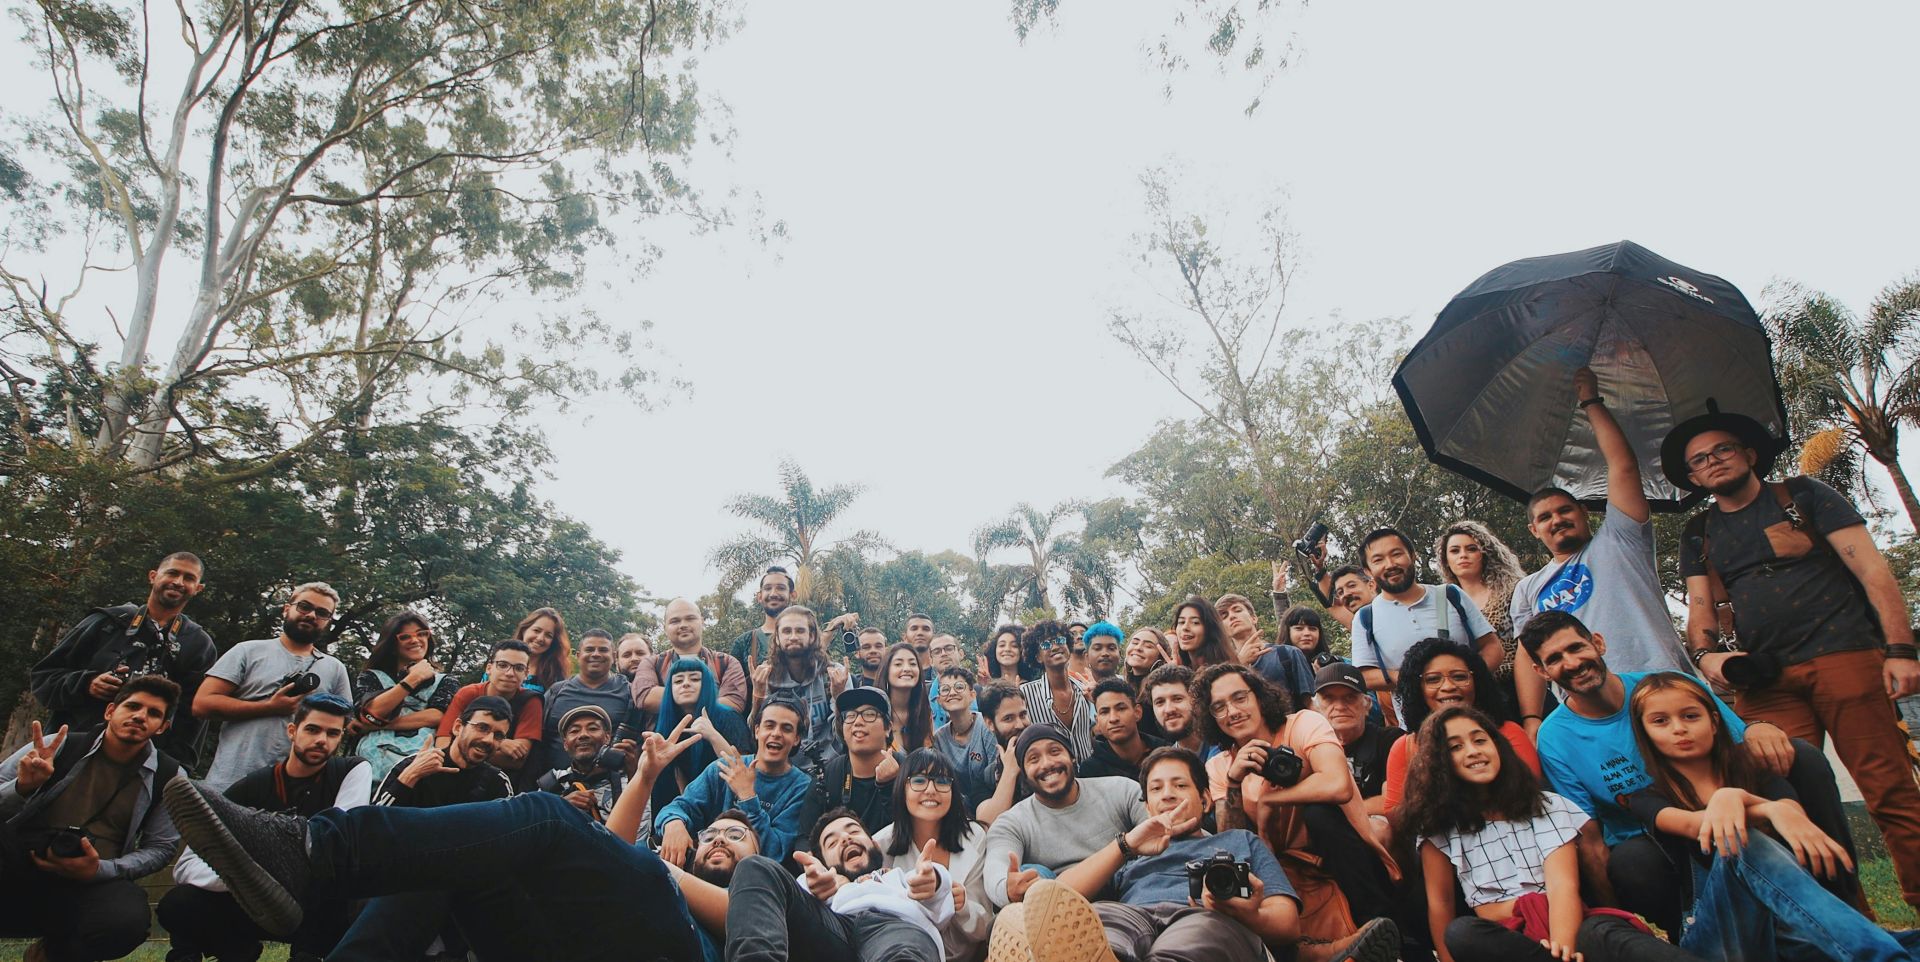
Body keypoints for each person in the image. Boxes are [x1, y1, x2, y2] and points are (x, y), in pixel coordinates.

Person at [158, 719, 715, 962]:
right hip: (569, 939)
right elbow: (617, 856)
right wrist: (646, 779)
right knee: (462, 857)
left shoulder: (768, 887)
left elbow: (723, 905)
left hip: (672, 946)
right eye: (716, 829)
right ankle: (316, 866)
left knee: (546, 818)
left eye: (736, 835)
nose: (720, 838)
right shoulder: (647, 870)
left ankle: (314, 850)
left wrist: (670, 860)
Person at [1665, 408, 1920, 913]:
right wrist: (1706, 656)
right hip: (1765, 681)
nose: (1713, 462)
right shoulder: (1699, 532)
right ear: (1693, 477)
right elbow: (1700, 609)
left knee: (1889, 792)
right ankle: (1846, 922)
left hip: (1844, 654)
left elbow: (1873, 571)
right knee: (1786, 798)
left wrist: (1900, 650)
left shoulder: (1802, 496)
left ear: (1749, 454)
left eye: (1722, 450)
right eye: (1700, 460)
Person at [1522, 610, 1856, 933]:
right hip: (1657, 839)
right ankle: (1688, 934)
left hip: (1723, 805)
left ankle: (1842, 894)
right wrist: (1625, 924)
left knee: (1801, 756)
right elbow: (1591, 841)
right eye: (1555, 658)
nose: (1572, 662)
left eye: (1576, 647)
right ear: (1541, 671)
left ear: (1598, 643)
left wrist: (1759, 728)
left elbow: (1738, 749)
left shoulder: (1665, 687)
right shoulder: (1555, 740)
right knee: (1631, 862)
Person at [992, 746, 1401, 962]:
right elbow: (1059, 896)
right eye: (1156, 789)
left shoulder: (1241, 842)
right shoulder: (1131, 852)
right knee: (1103, 929)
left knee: (1190, 942)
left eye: (1179, 786)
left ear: (1205, 798)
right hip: (1134, 916)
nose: (1167, 794)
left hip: (1210, 919)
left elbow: (1288, 926)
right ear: (1146, 803)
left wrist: (1243, 912)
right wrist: (1126, 845)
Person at [1624, 672, 1920, 961]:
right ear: (1645, 733)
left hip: (1789, 927)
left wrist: (1765, 804)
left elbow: (1794, 817)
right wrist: (1747, 801)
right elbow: (1698, 824)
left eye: (1690, 716)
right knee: (1739, 841)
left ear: (1714, 722)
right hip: (1718, 935)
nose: (1679, 728)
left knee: (1908, 942)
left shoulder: (1754, 770)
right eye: (1660, 721)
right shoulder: (1647, 798)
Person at [1400, 706, 1696, 962]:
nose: (1474, 751)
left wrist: (1562, 949)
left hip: (1568, 921)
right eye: (1455, 747)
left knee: (1602, 932)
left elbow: (1562, 886)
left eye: (1480, 740)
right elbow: (1441, 903)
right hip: (1508, 940)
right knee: (1462, 932)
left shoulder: (1547, 806)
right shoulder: (1438, 830)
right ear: (1438, 762)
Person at [1194, 663, 1398, 943]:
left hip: (1346, 849)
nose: (1233, 712)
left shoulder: (1303, 723)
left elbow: (1337, 785)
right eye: (1219, 707)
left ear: (1259, 697)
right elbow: (1232, 839)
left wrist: (1271, 799)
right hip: (1284, 867)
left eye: (1240, 698)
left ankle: (1379, 923)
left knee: (1318, 813)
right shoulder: (1219, 766)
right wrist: (1234, 782)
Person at [1511, 367, 1692, 678]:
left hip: (1660, 681)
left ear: (1584, 512)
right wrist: (1532, 719)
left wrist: (1590, 401)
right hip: (1586, 702)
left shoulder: (1621, 538)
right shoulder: (1528, 589)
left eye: (1565, 510)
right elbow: (1530, 658)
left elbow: (1622, 466)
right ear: (1534, 530)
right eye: (1545, 517)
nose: (1557, 520)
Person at [160, 693, 369, 962]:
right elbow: (188, 864)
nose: (322, 740)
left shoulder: (351, 770)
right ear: (292, 731)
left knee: (339, 890)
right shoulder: (252, 786)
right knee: (179, 903)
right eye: (313, 729)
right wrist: (245, 881)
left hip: (314, 904)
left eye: (332, 733)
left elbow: (338, 839)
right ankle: (233, 950)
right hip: (256, 904)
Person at [0, 676, 183, 962]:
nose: (140, 716)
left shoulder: (169, 776)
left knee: (126, 921)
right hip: (20, 862)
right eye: (133, 706)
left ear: (162, 727)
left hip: (92, 880)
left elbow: (161, 848)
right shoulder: (57, 746)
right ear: (110, 711)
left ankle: (54, 954)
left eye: (153, 713)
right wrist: (22, 788)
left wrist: (100, 869)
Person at [31, 551, 218, 768]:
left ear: (198, 589)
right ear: (153, 576)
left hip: (140, 766)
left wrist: (172, 769)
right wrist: (87, 684)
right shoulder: (107, 622)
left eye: (189, 578)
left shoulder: (198, 644)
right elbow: (43, 677)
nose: (178, 582)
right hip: (71, 751)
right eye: (172, 573)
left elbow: (192, 717)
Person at [727, 808, 952, 962]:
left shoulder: (899, 877)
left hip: (895, 928)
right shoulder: (821, 889)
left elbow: (939, 898)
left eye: (853, 831)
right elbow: (792, 901)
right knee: (754, 867)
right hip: (833, 929)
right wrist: (811, 884)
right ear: (823, 862)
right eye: (832, 842)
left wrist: (933, 881)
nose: (845, 839)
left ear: (874, 844)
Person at [1351, 528, 1522, 731]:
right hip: (1419, 728)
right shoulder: (1366, 617)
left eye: (1396, 554)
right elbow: (1365, 675)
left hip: (1481, 717)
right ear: (1368, 571)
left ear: (1412, 556)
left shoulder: (1451, 595)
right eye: (1378, 560)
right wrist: (1416, 680)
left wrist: (1463, 680)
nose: (1390, 564)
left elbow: (1493, 647)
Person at [195, 583, 354, 791]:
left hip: (298, 791)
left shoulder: (334, 668)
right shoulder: (247, 651)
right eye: (304, 607)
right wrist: (269, 707)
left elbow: (344, 724)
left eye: (322, 613)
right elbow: (202, 704)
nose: (311, 615)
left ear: (328, 621)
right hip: (233, 780)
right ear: (287, 608)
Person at [980, 724, 1148, 909]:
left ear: (1072, 757)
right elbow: (996, 870)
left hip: (1130, 895)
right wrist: (1008, 888)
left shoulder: (1120, 789)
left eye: (1055, 751)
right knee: (1032, 876)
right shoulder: (1011, 822)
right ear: (1024, 773)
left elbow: (1156, 831)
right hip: (1061, 910)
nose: (1047, 764)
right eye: (1033, 759)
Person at [1382, 636, 1540, 813]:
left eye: (1459, 677)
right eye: (1433, 679)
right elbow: (1395, 814)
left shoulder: (1509, 732)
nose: (1448, 686)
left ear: (1477, 682)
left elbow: (1529, 795)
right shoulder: (1405, 747)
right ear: (1417, 688)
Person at [656, 695, 814, 866]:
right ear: (757, 730)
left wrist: (747, 796)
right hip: (708, 869)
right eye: (769, 725)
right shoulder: (723, 768)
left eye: (787, 728)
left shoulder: (802, 787)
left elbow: (774, 851)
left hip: (757, 878)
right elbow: (678, 807)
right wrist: (673, 823)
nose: (776, 734)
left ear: (797, 738)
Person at [872, 750, 992, 962]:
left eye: (942, 781)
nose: (931, 790)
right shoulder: (881, 844)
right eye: (919, 780)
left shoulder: (974, 837)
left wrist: (962, 905)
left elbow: (985, 927)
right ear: (902, 789)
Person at [1437, 518, 1545, 717]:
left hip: (1524, 685)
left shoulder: (1514, 589)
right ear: (1445, 560)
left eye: (1471, 549)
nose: (1463, 555)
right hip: (1477, 695)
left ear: (1485, 553)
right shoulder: (1445, 605)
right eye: (1455, 551)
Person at [349, 610, 455, 783]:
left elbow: (438, 715)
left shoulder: (446, 681)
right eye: (405, 637)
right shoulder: (371, 677)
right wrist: (412, 680)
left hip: (422, 758)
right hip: (374, 761)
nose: (415, 640)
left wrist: (377, 726)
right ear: (391, 644)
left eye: (422, 634)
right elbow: (371, 713)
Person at [435, 639, 545, 790]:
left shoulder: (531, 702)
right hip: (451, 772)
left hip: (496, 780)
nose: (509, 673)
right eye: (502, 665)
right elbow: (442, 742)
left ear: (526, 674)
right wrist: (501, 743)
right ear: (489, 668)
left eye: (518, 668)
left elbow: (516, 759)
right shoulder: (468, 693)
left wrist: (465, 748)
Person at [652, 656, 754, 816]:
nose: (685, 684)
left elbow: (745, 769)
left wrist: (713, 735)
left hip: (727, 807)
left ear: (706, 684)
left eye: (694, 679)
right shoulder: (666, 723)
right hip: (683, 810)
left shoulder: (728, 716)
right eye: (678, 681)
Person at [749, 605, 850, 767]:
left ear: (812, 636)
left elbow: (846, 737)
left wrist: (840, 698)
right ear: (777, 638)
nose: (793, 636)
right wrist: (758, 696)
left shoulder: (834, 674)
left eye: (800, 631)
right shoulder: (766, 675)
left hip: (830, 765)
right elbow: (756, 736)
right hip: (783, 768)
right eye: (787, 631)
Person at [376, 694, 516, 807]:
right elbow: (372, 824)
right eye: (482, 728)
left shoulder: (497, 782)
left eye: (498, 736)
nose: (488, 740)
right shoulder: (414, 764)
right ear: (458, 727)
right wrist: (411, 776)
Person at [801, 687, 904, 840]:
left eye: (869, 714)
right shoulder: (828, 776)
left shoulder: (908, 770)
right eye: (850, 716)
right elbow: (805, 838)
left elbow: (914, 830)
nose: (858, 721)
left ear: (888, 727)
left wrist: (889, 786)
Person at [1312, 663, 1402, 819]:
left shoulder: (1391, 740)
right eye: (1329, 698)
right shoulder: (1310, 748)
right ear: (1316, 708)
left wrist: (1337, 815)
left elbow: (1393, 803)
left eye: (1350, 697)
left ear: (1367, 704)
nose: (1339, 706)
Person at [542, 628, 645, 766]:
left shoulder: (630, 692)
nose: (596, 654)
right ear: (578, 655)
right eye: (589, 649)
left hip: (611, 782)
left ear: (614, 657)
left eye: (603, 650)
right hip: (555, 781)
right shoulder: (556, 691)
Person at [633, 598, 748, 717]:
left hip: (716, 734)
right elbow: (645, 697)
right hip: (663, 735)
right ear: (665, 628)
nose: (683, 625)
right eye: (675, 621)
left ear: (702, 621)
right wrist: (708, 700)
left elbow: (733, 703)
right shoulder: (652, 663)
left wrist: (679, 699)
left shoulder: (726, 662)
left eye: (690, 618)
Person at [535, 705, 633, 824]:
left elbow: (638, 838)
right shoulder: (551, 783)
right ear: (565, 744)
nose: (583, 735)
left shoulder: (629, 783)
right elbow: (532, 833)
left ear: (607, 737)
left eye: (592, 729)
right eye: (574, 731)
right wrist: (561, 806)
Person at [1216, 592, 1315, 705]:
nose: (1232, 616)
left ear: (1254, 618)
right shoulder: (1222, 669)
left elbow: (1310, 703)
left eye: (1237, 610)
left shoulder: (1288, 653)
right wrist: (1240, 662)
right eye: (1224, 616)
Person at [1020, 620, 1095, 759]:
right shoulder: (1025, 694)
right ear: (1037, 657)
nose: (1055, 647)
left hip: (1089, 775)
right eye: (1046, 644)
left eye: (1060, 640)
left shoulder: (1085, 689)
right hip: (1053, 775)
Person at [931, 668, 997, 812]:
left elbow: (996, 774)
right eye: (945, 689)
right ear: (939, 700)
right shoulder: (939, 738)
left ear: (972, 694)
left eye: (959, 687)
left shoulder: (986, 725)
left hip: (993, 803)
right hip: (958, 811)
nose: (952, 693)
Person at [1078, 679, 1168, 781]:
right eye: (1104, 712)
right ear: (1097, 720)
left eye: (1121, 709)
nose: (1113, 718)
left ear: (1137, 712)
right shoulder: (1092, 771)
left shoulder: (1167, 753)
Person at [731, 565, 795, 702]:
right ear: (759, 596)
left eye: (781, 588)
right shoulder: (743, 643)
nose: (773, 593)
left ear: (792, 595)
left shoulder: (807, 639)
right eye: (767, 588)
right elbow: (733, 695)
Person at [974, 684, 1033, 823]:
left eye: (1023, 715)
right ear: (989, 724)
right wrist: (1010, 772)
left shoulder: (1049, 760)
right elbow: (987, 822)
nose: (1019, 724)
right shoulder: (987, 777)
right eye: (1008, 718)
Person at [1140, 664, 1204, 756]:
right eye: (1160, 702)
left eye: (1177, 699)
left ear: (1196, 700)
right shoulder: (1167, 764)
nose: (1169, 709)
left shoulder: (1226, 747)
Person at [884, 643, 936, 751]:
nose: (907, 669)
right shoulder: (874, 713)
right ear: (886, 670)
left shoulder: (924, 713)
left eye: (913, 664)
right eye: (898, 664)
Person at [1169, 596, 1238, 672]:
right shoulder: (1180, 668)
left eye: (1195, 622)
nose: (1185, 627)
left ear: (1210, 629)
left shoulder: (1224, 671)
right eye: (1181, 622)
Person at [512, 606, 573, 692]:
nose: (540, 638)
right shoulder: (500, 664)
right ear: (524, 629)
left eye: (548, 635)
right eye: (536, 630)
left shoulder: (556, 678)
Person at [926, 634, 970, 729]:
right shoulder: (923, 696)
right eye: (937, 651)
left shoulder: (979, 692)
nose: (943, 654)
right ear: (931, 661)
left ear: (961, 654)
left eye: (949, 648)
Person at [981, 624, 1035, 688]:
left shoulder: (1033, 687)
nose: (1007, 649)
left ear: (1022, 651)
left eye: (1014, 646)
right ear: (994, 650)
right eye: (1002, 645)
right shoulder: (985, 687)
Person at [1121, 627, 1168, 694]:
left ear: (1160, 656)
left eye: (1148, 646)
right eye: (1135, 643)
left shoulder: (1164, 689)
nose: (1138, 648)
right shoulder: (1119, 687)